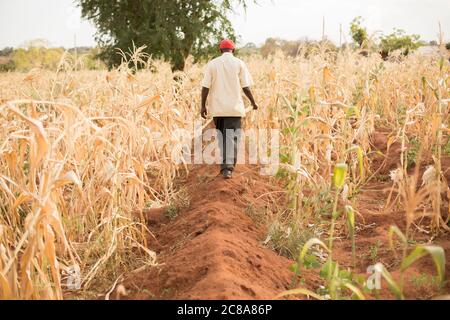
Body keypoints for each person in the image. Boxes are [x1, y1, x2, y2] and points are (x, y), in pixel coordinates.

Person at [200, 39, 258, 179]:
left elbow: (205, 87)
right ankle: (228, 168)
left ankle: (225, 166)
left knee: (222, 138)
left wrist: (203, 106)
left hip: (217, 109)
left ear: (220, 50)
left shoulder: (212, 64)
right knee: (231, 138)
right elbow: (246, 87)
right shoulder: (239, 64)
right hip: (234, 108)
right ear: (233, 50)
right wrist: (253, 102)